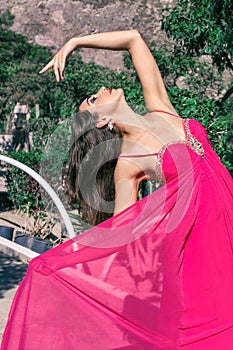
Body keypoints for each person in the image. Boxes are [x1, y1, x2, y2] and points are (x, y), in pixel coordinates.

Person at [1, 30, 233, 350]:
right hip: (201, 256)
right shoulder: (127, 163)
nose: (100, 90)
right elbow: (121, 237)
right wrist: (55, 265)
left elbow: (135, 39)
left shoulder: (160, 107)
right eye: (94, 100)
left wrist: (75, 42)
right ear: (99, 123)